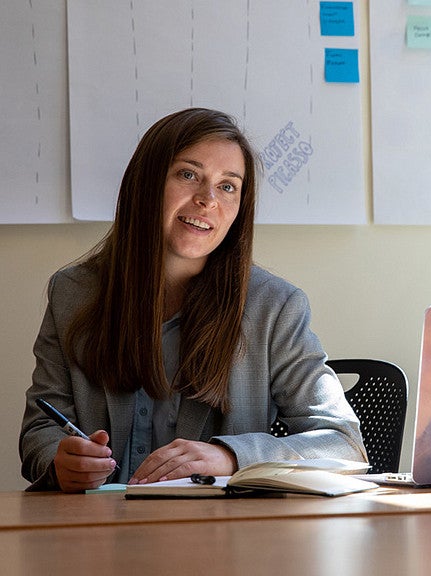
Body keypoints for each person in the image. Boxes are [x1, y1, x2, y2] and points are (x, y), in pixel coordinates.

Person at [19, 107, 366, 492]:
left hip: (217, 536)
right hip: (95, 531)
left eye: (228, 186)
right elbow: (40, 427)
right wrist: (59, 459)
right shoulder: (73, 293)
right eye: (189, 175)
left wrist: (232, 457)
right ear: (146, 183)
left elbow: (344, 443)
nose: (207, 199)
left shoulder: (274, 307)